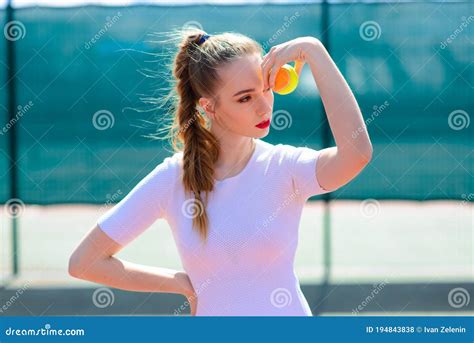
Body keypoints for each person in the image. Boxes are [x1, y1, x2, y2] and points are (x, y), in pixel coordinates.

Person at [68, 30, 373, 316]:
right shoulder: (172, 178)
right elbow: (85, 262)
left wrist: (313, 50)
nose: (264, 107)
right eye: (245, 98)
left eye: (266, 89)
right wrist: (180, 284)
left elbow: (357, 153)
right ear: (208, 107)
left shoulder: (285, 166)